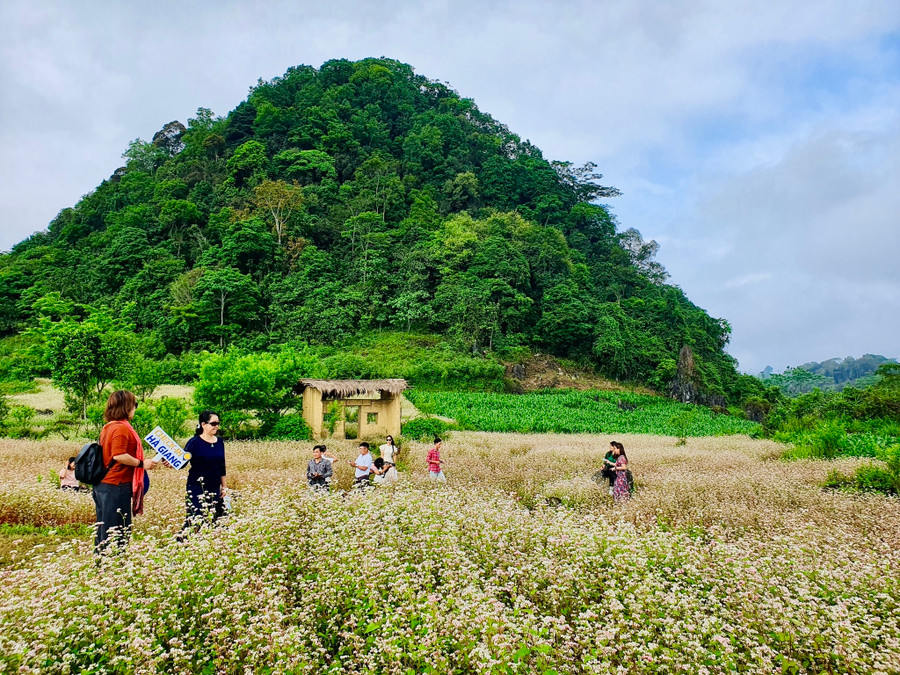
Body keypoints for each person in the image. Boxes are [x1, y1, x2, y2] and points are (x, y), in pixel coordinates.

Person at [93, 390, 158, 553]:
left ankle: (102, 560)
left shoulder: (109, 427)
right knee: (117, 530)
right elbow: (119, 455)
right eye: (134, 405)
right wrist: (141, 464)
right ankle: (113, 561)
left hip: (106, 484)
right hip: (116, 485)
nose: (135, 408)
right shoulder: (121, 429)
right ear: (126, 407)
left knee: (105, 528)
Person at [182, 411, 227, 528]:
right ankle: (183, 539)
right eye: (213, 423)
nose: (216, 426)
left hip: (215, 487)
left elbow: (222, 465)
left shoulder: (220, 442)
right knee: (195, 520)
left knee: (215, 521)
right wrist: (169, 462)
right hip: (197, 487)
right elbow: (182, 462)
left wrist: (224, 487)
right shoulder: (194, 442)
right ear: (203, 424)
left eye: (218, 423)